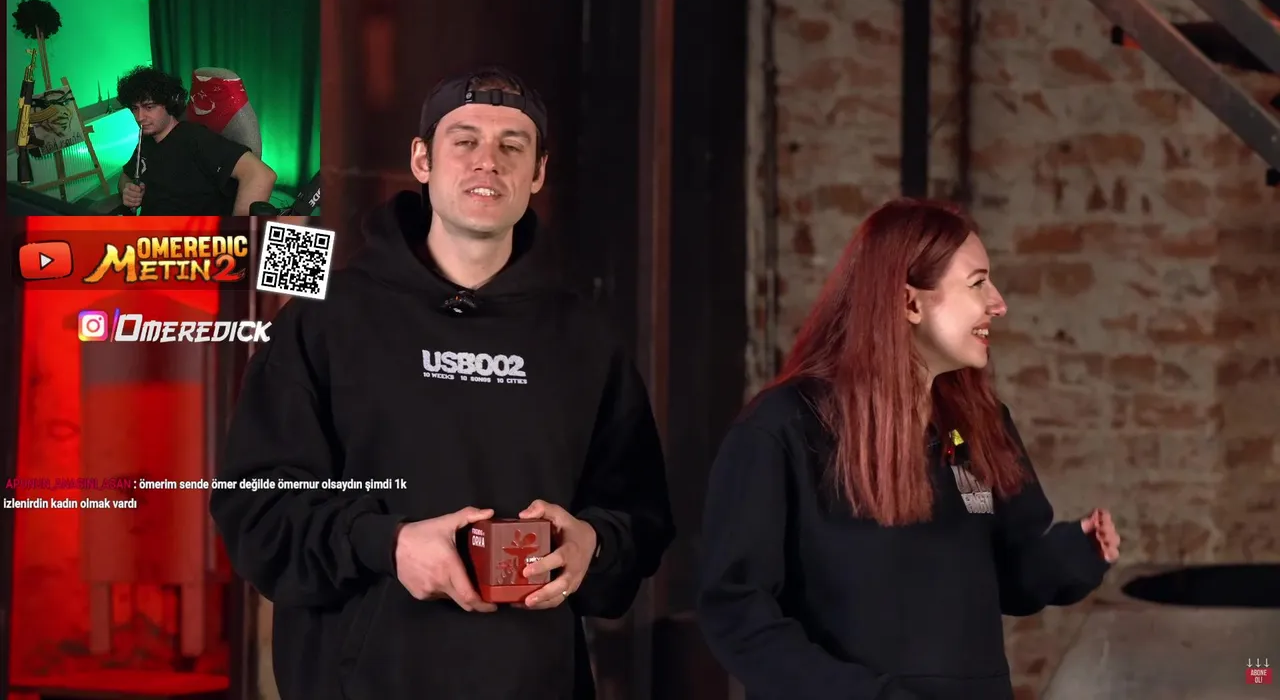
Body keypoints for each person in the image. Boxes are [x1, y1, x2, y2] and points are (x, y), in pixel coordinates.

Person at [210, 66, 674, 700]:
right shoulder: (325, 317)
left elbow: (642, 518)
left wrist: (592, 543)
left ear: (538, 173)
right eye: (465, 141)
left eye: (513, 145)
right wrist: (389, 545)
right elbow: (256, 510)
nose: (489, 161)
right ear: (422, 160)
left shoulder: (582, 336)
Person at [696, 199, 1121, 700]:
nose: (999, 303)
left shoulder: (977, 425)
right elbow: (738, 612)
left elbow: (1006, 575)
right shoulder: (781, 430)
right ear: (909, 303)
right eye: (978, 283)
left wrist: (1073, 553)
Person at [116, 65, 276, 215]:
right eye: (135, 109)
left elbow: (261, 175)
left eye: (149, 107)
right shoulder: (146, 139)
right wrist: (127, 189)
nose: (140, 117)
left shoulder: (195, 138)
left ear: (169, 103)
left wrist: (237, 231)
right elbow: (126, 175)